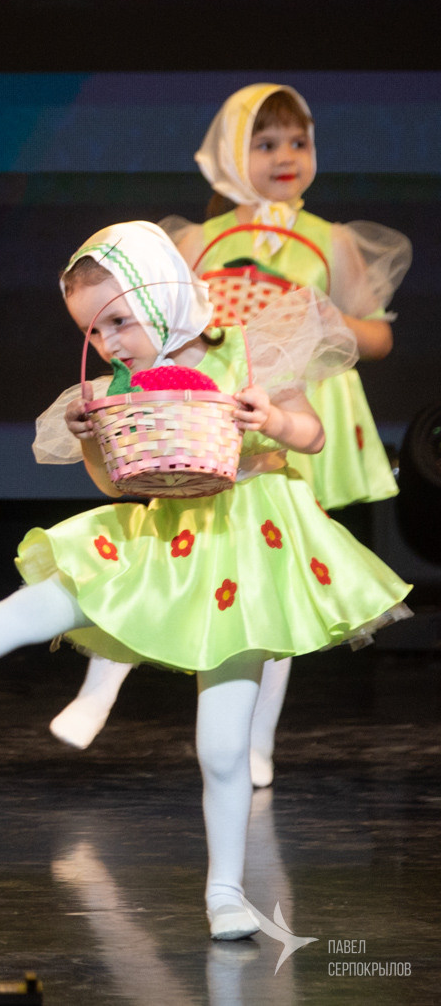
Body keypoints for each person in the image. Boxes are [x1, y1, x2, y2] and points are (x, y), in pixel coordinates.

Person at [0, 221, 409, 941]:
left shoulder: (248, 349)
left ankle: (225, 889)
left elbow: (312, 433)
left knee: (222, 743)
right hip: (168, 537)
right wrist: (91, 439)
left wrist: (275, 420)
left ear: (162, 292)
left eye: (118, 319)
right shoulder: (123, 385)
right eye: (93, 331)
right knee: (33, 605)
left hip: (247, 548)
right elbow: (124, 484)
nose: (108, 342)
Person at [50, 85, 413, 783]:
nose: (284, 156)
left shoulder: (330, 240)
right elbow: (161, 321)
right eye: (264, 142)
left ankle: (256, 738)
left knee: (273, 575)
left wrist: (312, 321)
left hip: (291, 408)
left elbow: (376, 334)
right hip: (204, 406)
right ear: (227, 153)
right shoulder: (198, 241)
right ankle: (100, 688)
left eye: (297, 142)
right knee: (162, 543)